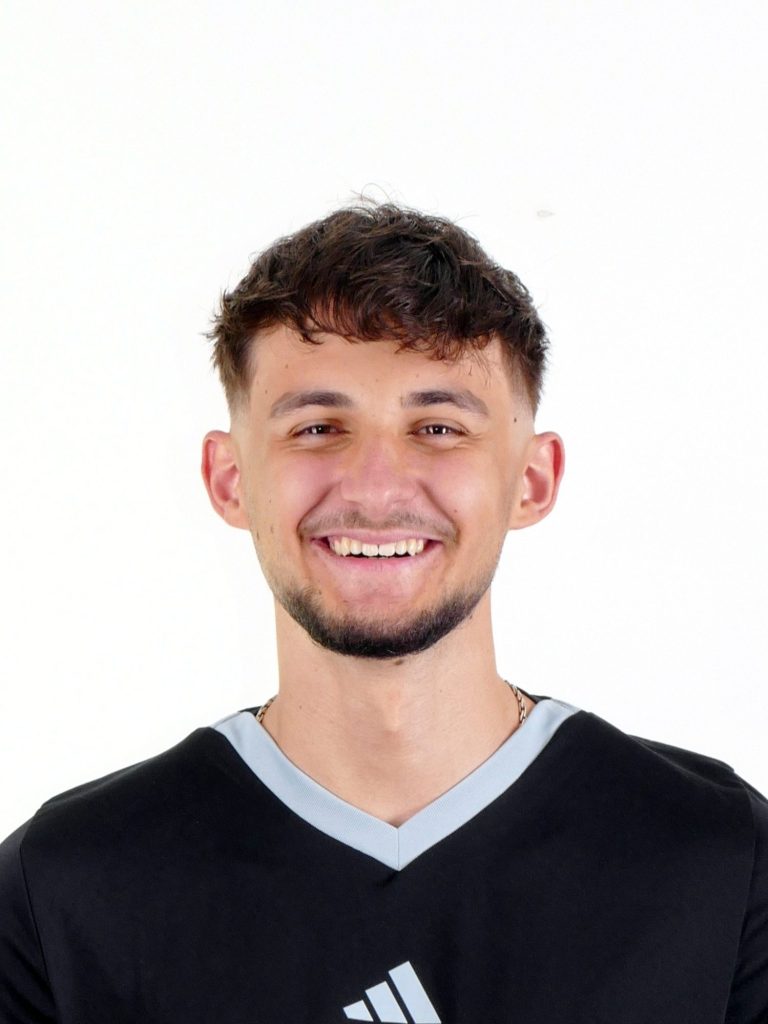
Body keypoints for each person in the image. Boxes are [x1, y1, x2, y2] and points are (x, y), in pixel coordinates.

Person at [1, 203, 765, 1024]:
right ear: (229, 479)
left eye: (437, 427)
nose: (375, 487)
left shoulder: (719, 860)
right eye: (317, 427)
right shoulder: (65, 889)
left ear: (532, 480)